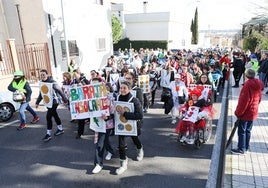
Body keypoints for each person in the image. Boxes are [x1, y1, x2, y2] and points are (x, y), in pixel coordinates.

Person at [231, 69, 263, 154]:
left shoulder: (247, 85)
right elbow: (259, 98)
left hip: (245, 112)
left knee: (242, 131)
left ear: (246, 76)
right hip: (253, 111)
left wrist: (238, 113)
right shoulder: (258, 84)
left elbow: (244, 101)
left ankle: (241, 148)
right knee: (248, 130)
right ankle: (246, 146)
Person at [116, 81, 144, 175]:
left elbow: (140, 115)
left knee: (135, 139)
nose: (122, 90)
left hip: (132, 126)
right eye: (121, 88)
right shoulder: (118, 98)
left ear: (129, 89)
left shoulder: (134, 100)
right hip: (121, 126)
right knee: (121, 145)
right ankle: (123, 163)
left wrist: (125, 114)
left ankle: (140, 149)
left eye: (124, 88)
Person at [35, 69, 68, 142]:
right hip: (48, 102)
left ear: (47, 74)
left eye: (43, 74)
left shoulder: (52, 82)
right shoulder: (42, 83)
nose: (42, 76)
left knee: (48, 116)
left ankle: (48, 134)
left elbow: (60, 91)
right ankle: (60, 129)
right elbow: (41, 94)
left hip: (54, 102)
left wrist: (65, 100)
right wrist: (37, 102)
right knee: (55, 115)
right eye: (41, 75)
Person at [91, 79, 116, 174]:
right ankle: (111, 151)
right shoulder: (91, 98)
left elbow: (113, 113)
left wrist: (107, 117)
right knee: (104, 141)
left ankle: (98, 164)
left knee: (100, 144)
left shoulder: (109, 98)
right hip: (97, 124)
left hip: (107, 125)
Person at [72, 69, 90, 139]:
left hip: (87, 101)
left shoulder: (84, 79)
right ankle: (80, 132)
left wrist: (82, 85)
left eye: (76, 74)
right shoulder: (73, 81)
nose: (75, 75)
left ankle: (96, 130)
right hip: (80, 102)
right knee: (81, 118)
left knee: (91, 117)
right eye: (74, 74)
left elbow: (89, 86)